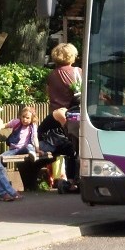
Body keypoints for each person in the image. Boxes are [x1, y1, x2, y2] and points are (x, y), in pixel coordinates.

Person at [42, 43, 81, 189]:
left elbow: (49, 94)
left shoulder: (51, 75)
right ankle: (75, 180)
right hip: (73, 115)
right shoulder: (77, 72)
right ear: (72, 56)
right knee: (77, 148)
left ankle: (69, 180)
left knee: (71, 149)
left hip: (55, 118)